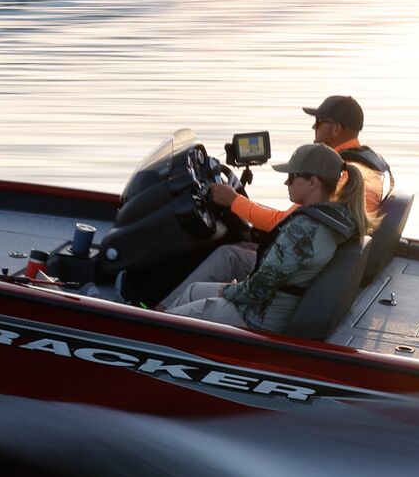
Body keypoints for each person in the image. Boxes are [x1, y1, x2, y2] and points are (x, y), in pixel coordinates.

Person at [161, 144, 372, 332]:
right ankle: (155, 316)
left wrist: (225, 290)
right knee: (191, 291)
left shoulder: (302, 231)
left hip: (258, 318)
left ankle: (148, 341)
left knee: (170, 322)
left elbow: (255, 291)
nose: (286, 182)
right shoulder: (340, 218)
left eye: (292, 176)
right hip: (272, 306)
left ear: (313, 182)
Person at [209, 94, 392, 234]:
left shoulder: (338, 175)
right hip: (334, 246)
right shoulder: (367, 164)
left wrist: (233, 200)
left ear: (336, 129)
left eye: (318, 122)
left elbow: (281, 222)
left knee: (228, 255)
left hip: (318, 260)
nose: (313, 127)